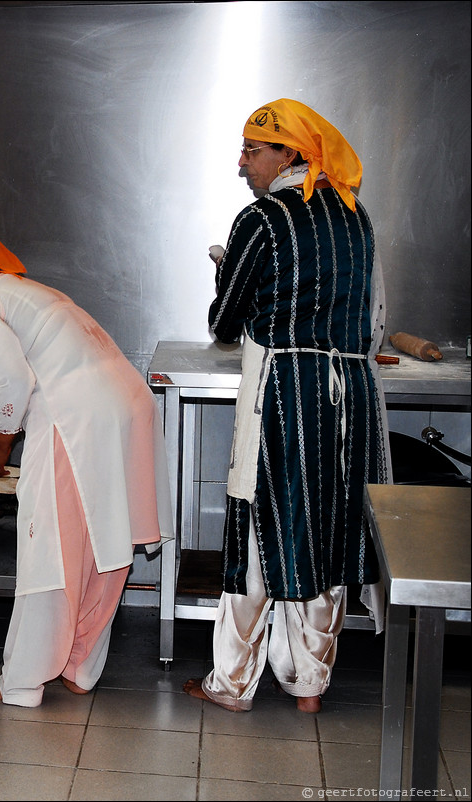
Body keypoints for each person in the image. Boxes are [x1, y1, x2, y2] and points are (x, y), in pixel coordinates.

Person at [183, 98, 390, 714]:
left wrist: (227, 274)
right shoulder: (358, 218)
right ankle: (309, 685)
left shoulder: (264, 218)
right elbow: (375, 317)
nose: (242, 162)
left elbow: (224, 321)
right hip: (352, 395)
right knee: (326, 527)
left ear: (290, 155)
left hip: (285, 390)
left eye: (253, 149)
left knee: (261, 527)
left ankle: (231, 682)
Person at [0, 226, 173, 707]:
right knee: (103, 546)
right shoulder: (26, 292)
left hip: (75, 419)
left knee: (50, 546)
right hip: (126, 408)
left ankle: (23, 681)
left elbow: (15, 383)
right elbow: (28, 381)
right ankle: (79, 667)